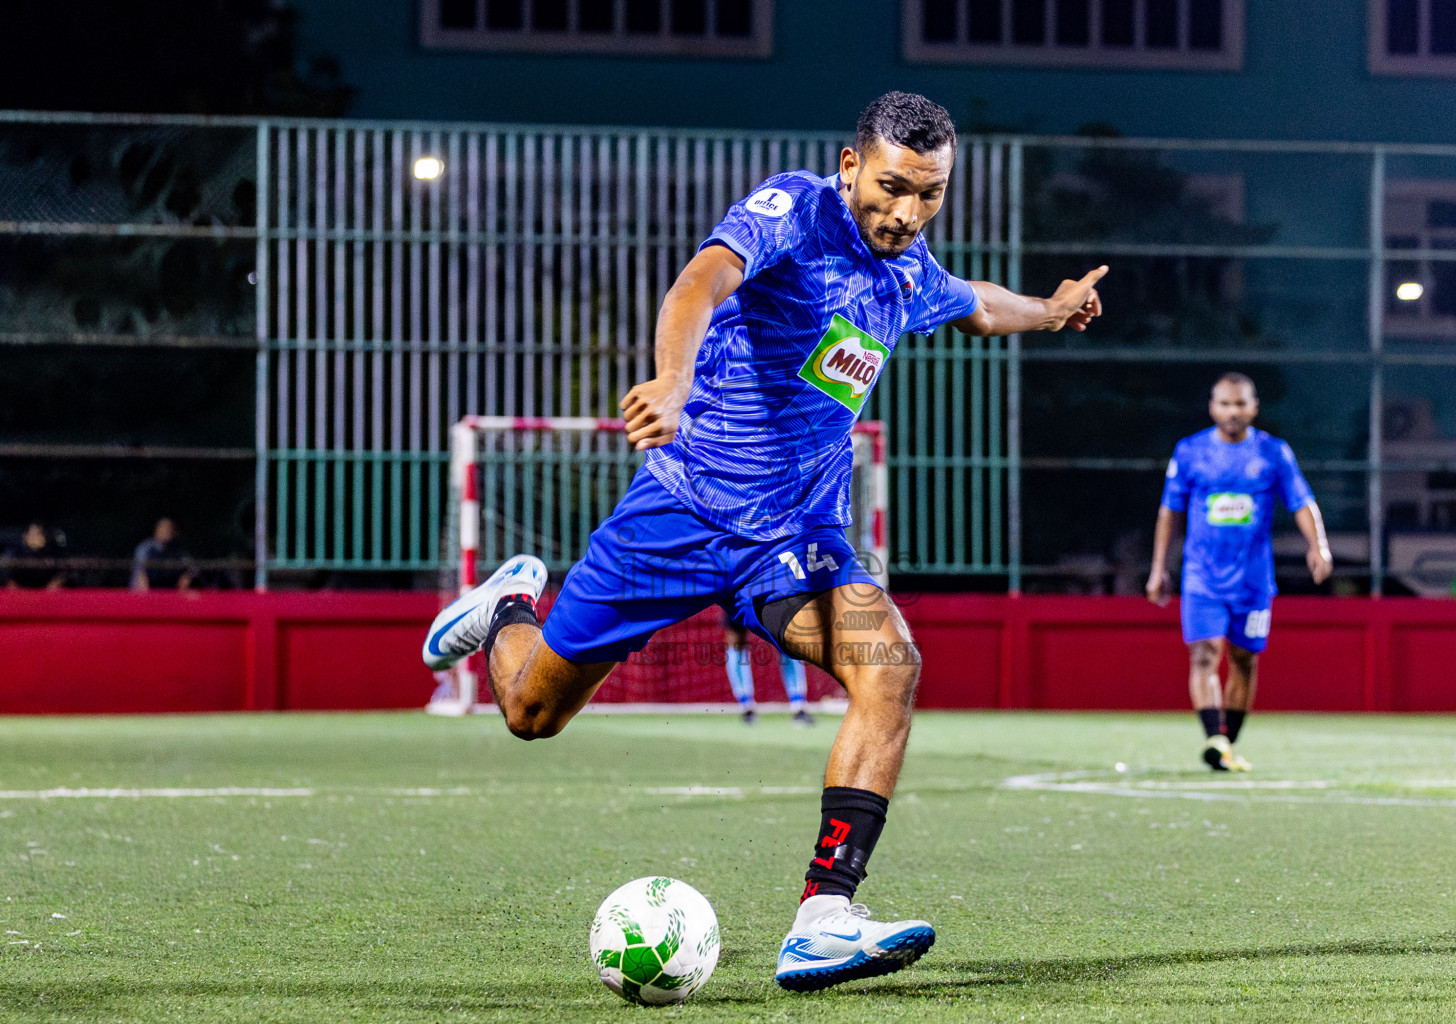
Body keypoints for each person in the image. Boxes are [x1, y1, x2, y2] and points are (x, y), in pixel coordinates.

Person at [421, 91, 1105, 992]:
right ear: (851, 166)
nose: (908, 212)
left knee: (889, 664)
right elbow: (699, 282)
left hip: (792, 538)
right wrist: (672, 382)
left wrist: (1050, 309)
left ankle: (824, 918)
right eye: (893, 187)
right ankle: (510, 605)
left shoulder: (907, 270)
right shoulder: (795, 209)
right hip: (678, 514)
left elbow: (975, 303)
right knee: (531, 714)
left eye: (930, 193)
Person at [1146, 373, 1332, 773]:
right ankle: (1214, 738)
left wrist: (1318, 545)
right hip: (1202, 576)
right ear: (1212, 407)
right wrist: (1159, 569)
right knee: (1204, 653)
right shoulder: (1191, 451)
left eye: (1240, 404)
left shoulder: (1273, 453)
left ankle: (1226, 746)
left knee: (1244, 659)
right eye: (1225, 404)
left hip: (1252, 580)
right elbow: (1169, 512)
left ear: (1254, 408)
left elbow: (1302, 502)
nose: (1233, 411)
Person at [723, 613, 814, 726]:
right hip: (742, 600)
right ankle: (745, 705)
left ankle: (798, 704)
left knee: (787, 636)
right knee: (736, 636)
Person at [130, 518, 197, 591]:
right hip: (148, 591)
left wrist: (186, 577)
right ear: (156, 531)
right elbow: (139, 572)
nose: (165, 532)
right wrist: (146, 594)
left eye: (168, 530)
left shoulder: (178, 550)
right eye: (162, 529)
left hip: (171, 591)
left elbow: (193, 569)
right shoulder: (146, 548)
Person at [1, 521, 67, 590]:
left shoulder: (52, 553)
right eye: (32, 534)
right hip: (20, 592)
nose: (35, 538)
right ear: (25, 536)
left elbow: (63, 572)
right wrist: (14, 588)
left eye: (39, 534)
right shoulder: (14, 553)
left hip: (46, 592)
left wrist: (55, 584)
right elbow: (5, 575)